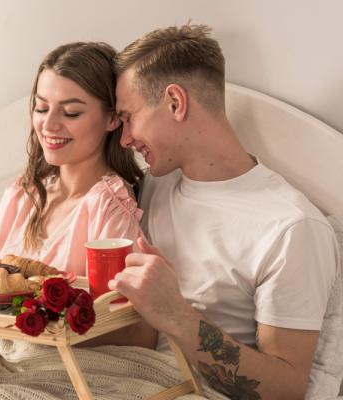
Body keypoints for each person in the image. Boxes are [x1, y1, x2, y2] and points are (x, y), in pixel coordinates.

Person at [108, 24, 339, 400]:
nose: (126, 139)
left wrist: (176, 314)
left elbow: (287, 389)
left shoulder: (289, 227)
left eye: (129, 117)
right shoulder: (150, 188)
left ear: (175, 103)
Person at [0, 42, 151, 317]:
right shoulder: (23, 196)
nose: (49, 125)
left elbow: (120, 316)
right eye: (41, 108)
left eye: (71, 112)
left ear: (111, 118)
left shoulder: (109, 206)